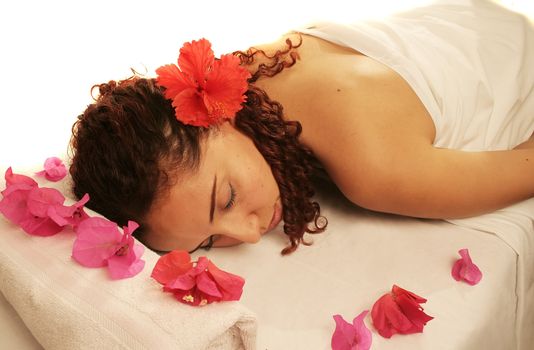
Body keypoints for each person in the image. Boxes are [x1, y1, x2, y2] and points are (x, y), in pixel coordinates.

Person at [69, 0, 534, 255]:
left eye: (226, 197)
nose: (249, 235)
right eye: (209, 242)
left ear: (218, 114)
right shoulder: (255, 69)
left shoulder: (373, 168)